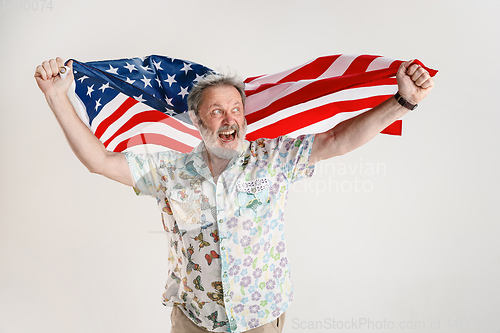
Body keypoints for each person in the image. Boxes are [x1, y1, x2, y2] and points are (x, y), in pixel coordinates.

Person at [34, 57, 434, 333]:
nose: (230, 120)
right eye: (216, 111)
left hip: (260, 318)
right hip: (195, 319)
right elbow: (101, 161)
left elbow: (335, 139)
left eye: (236, 109)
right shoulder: (169, 171)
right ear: (196, 119)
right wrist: (56, 95)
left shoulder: (272, 157)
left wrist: (401, 103)